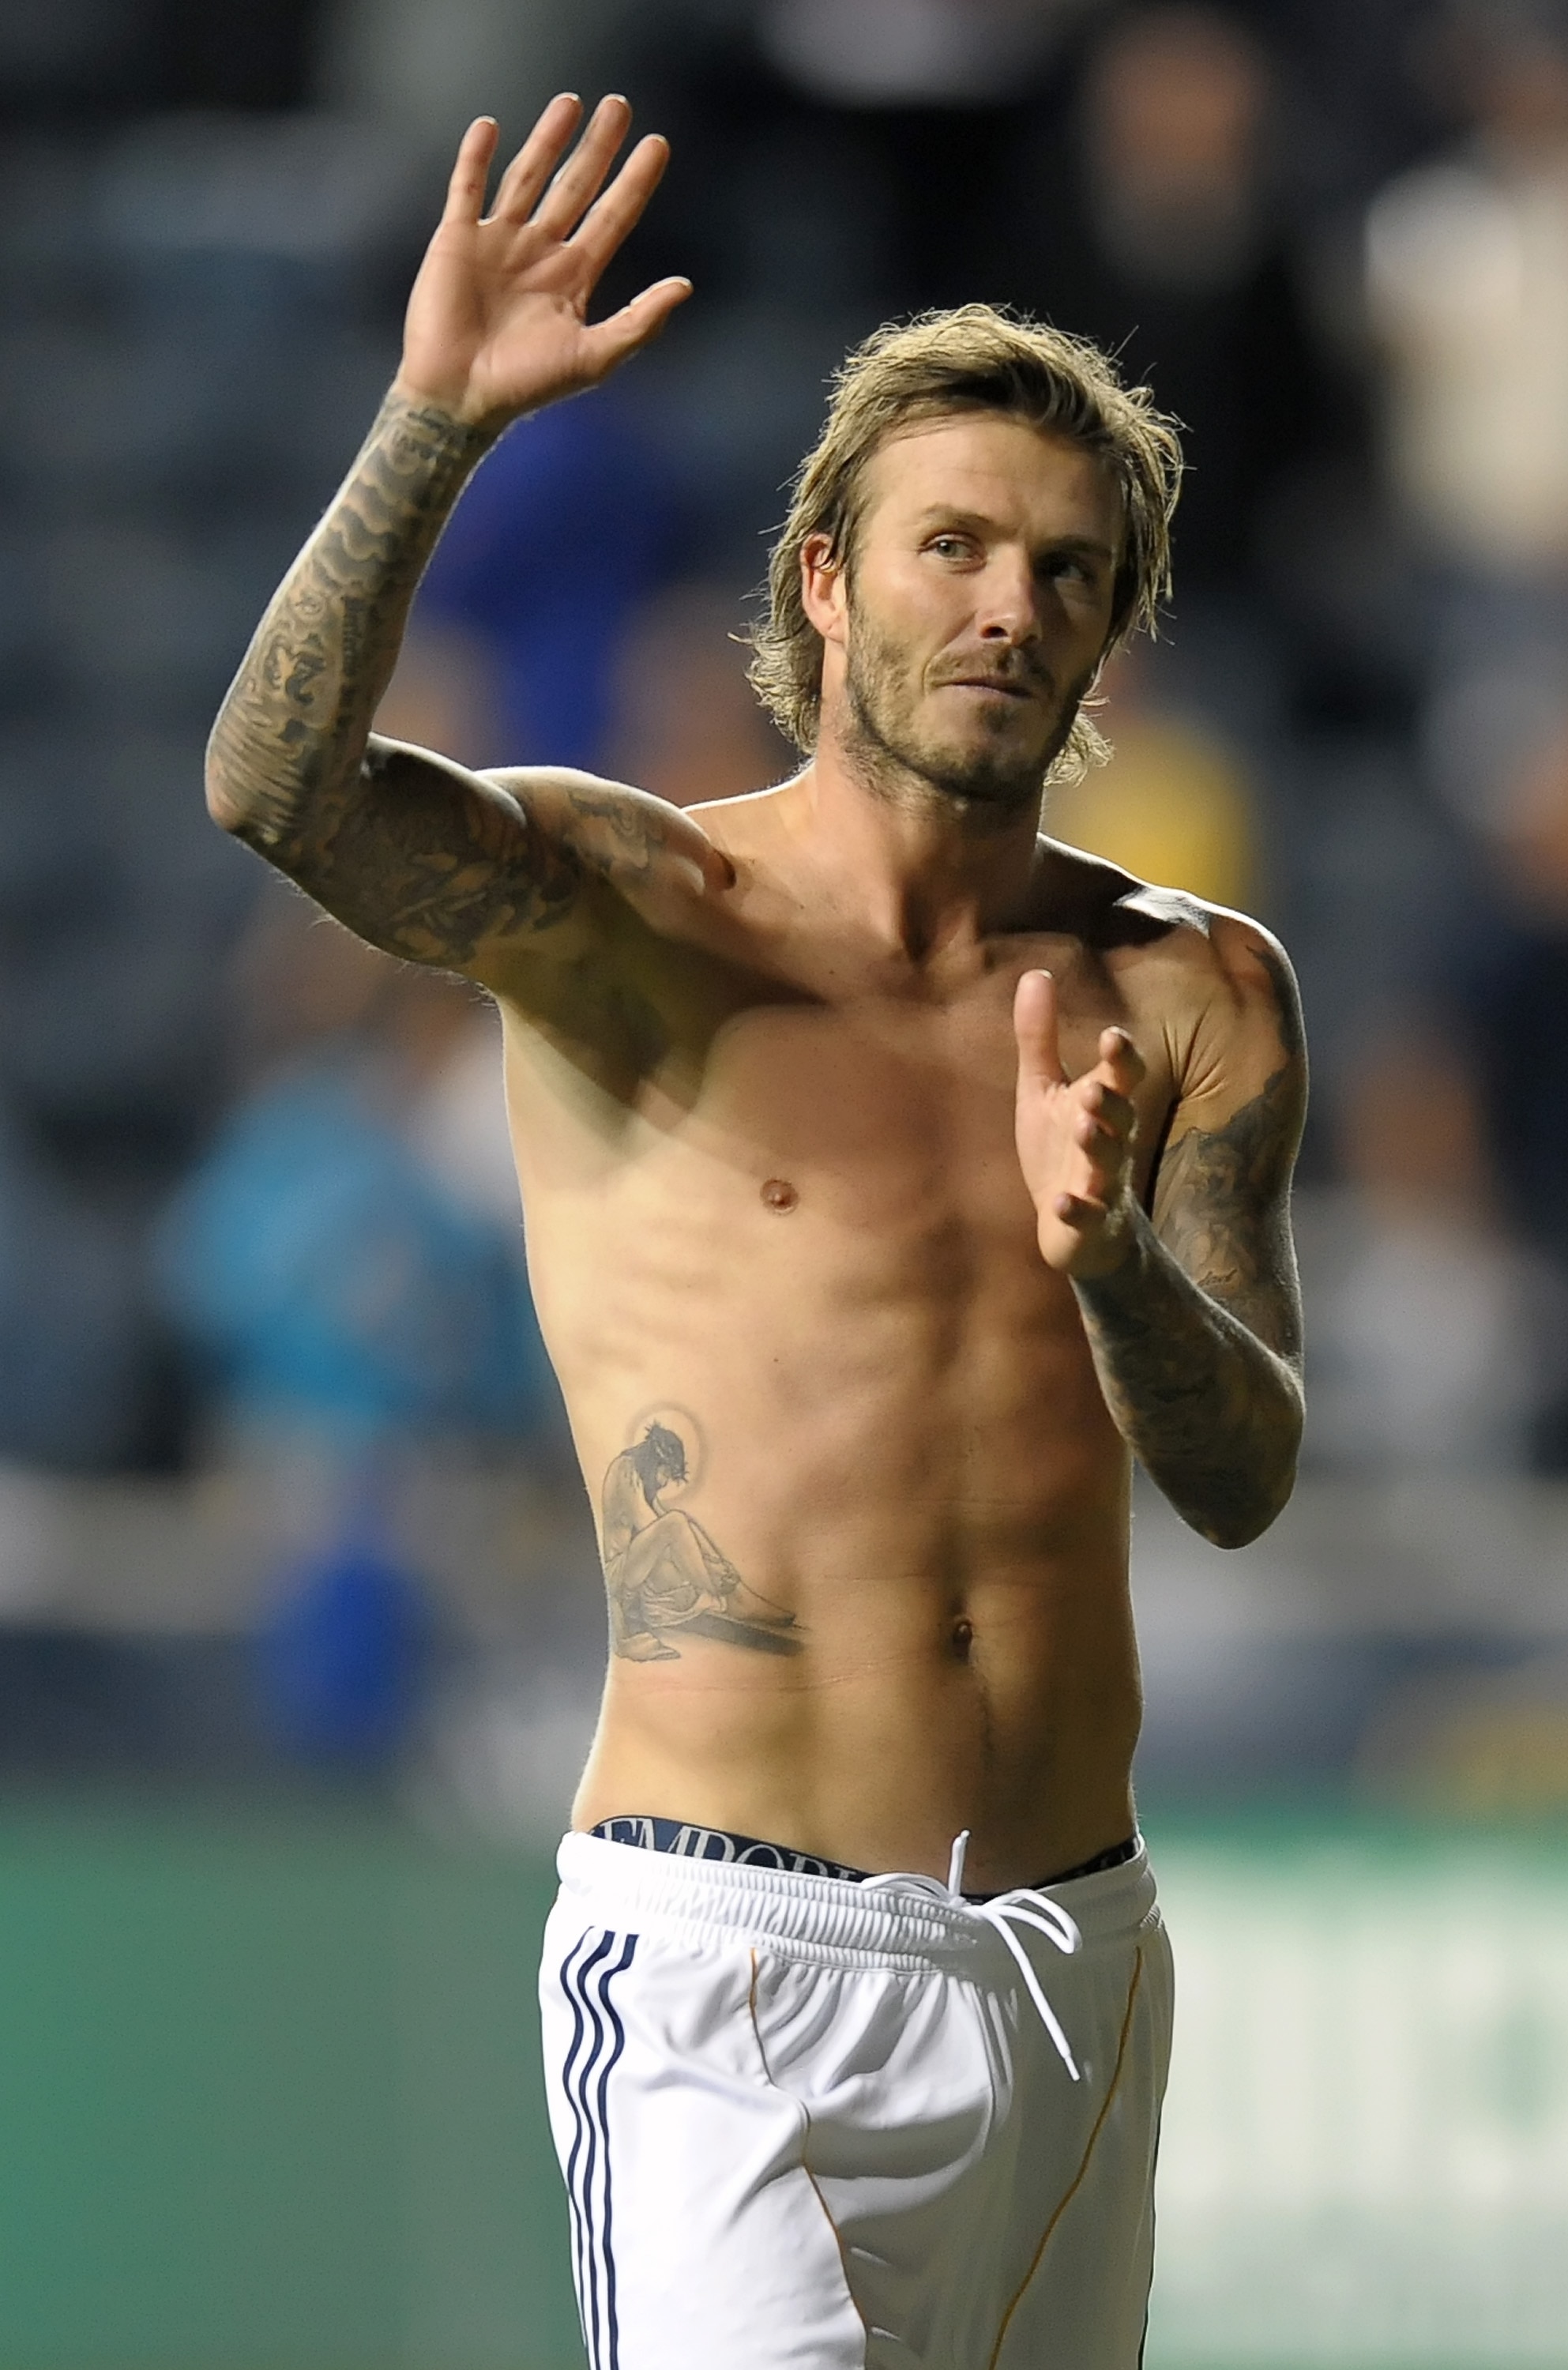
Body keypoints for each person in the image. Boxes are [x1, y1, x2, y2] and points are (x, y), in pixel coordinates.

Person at [205, 93, 1306, 2370]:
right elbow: (274, 793)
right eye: (952, 546)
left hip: (1075, 1961)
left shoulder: (1197, 986)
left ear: (1116, 628)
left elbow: (1243, 1476)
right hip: (733, 1963)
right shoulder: (634, 907)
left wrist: (1113, 1273)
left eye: (1068, 570)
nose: (1008, 605)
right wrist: (435, 426)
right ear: (823, 577)